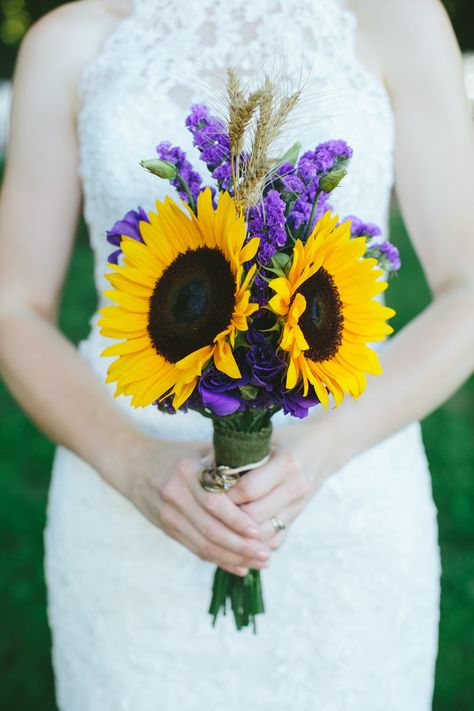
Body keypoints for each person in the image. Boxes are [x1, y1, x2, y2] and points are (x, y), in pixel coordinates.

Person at [0, 0, 472, 709]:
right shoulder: (68, 41)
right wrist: (132, 463)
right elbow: (13, 305)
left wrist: (317, 450)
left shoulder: (396, 17)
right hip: (121, 511)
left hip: (350, 513)